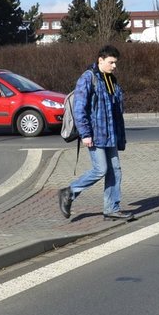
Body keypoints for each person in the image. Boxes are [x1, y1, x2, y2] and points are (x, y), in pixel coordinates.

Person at [58, 45, 130, 221]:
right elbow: (79, 108)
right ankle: (69, 192)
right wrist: (85, 133)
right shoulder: (88, 78)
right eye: (111, 62)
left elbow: (115, 109)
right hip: (95, 134)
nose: (114, 66)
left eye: (115, 63)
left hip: (110, 134)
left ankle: (111, 209)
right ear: (100, 60)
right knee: (101, 169)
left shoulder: (111, 80)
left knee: (115, 171)